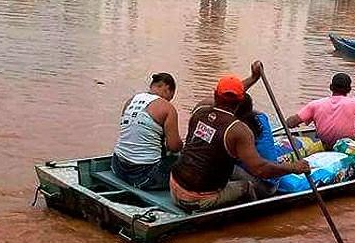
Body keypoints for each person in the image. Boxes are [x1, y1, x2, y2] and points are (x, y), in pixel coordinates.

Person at [170, 62, 310, 212]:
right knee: (248, 187)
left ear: (215, 94)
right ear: (241, 100)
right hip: (197, 201)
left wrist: (253, 78)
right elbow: (260, 170)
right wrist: (293, 167)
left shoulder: (201, 109)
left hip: (174, 186)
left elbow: (227, 96)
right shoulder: (238, 130)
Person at [111, 73, 183, 189]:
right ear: (168, 89)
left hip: (117, 167)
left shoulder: (130, 101)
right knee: (183, 160)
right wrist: (182, 145)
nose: (170, 99)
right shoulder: (167, 107)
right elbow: (174, 146)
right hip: (145, 175)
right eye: (172, 95)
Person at [286, 73, 355, 149]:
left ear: (331, 87)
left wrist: (294, 122)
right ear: (349, 89)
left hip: (325, 146)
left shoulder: (315, 104)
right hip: (348, 148)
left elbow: (290, 122)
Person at [234, 93, 279, 198]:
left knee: (224, 165)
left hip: (265, 185)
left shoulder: (239, 130)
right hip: (272, 179)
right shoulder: (261, 117)